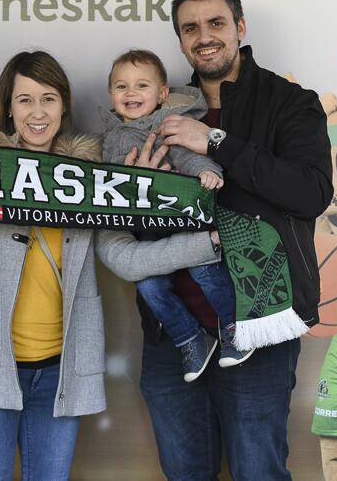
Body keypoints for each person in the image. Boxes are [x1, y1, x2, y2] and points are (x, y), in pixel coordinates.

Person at [0, 51, 221, 480]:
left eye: (49, 99)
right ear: (8, 107)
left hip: (58, 377)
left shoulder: (88, 177)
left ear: (64, 107)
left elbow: (126, 260)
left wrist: (206, 240)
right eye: (25, 100)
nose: (37, 113)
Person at [134, 0, 333, 479]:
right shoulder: (157, 112)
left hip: (259, 327)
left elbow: (310, 192)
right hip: (176, 338)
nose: (205, 36)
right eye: (190, 28)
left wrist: (216, 142)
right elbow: (136, 225)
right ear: (180, 40)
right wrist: (140, 187)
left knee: (257, 472)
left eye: (216, 23)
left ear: (240, 28)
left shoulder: (290, 102)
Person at [101, 49, 252, 383]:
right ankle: (189, 337)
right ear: (111, 94)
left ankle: (234, 328)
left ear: (162, 94)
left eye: (142, 85)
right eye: (121, 87)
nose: (131, 93)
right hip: (148, 230)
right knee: (149, 285)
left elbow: (188, 156)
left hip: (184, 217)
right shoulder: (109, 138)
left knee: (205, 272)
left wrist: (208, 171)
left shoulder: (167, 126)